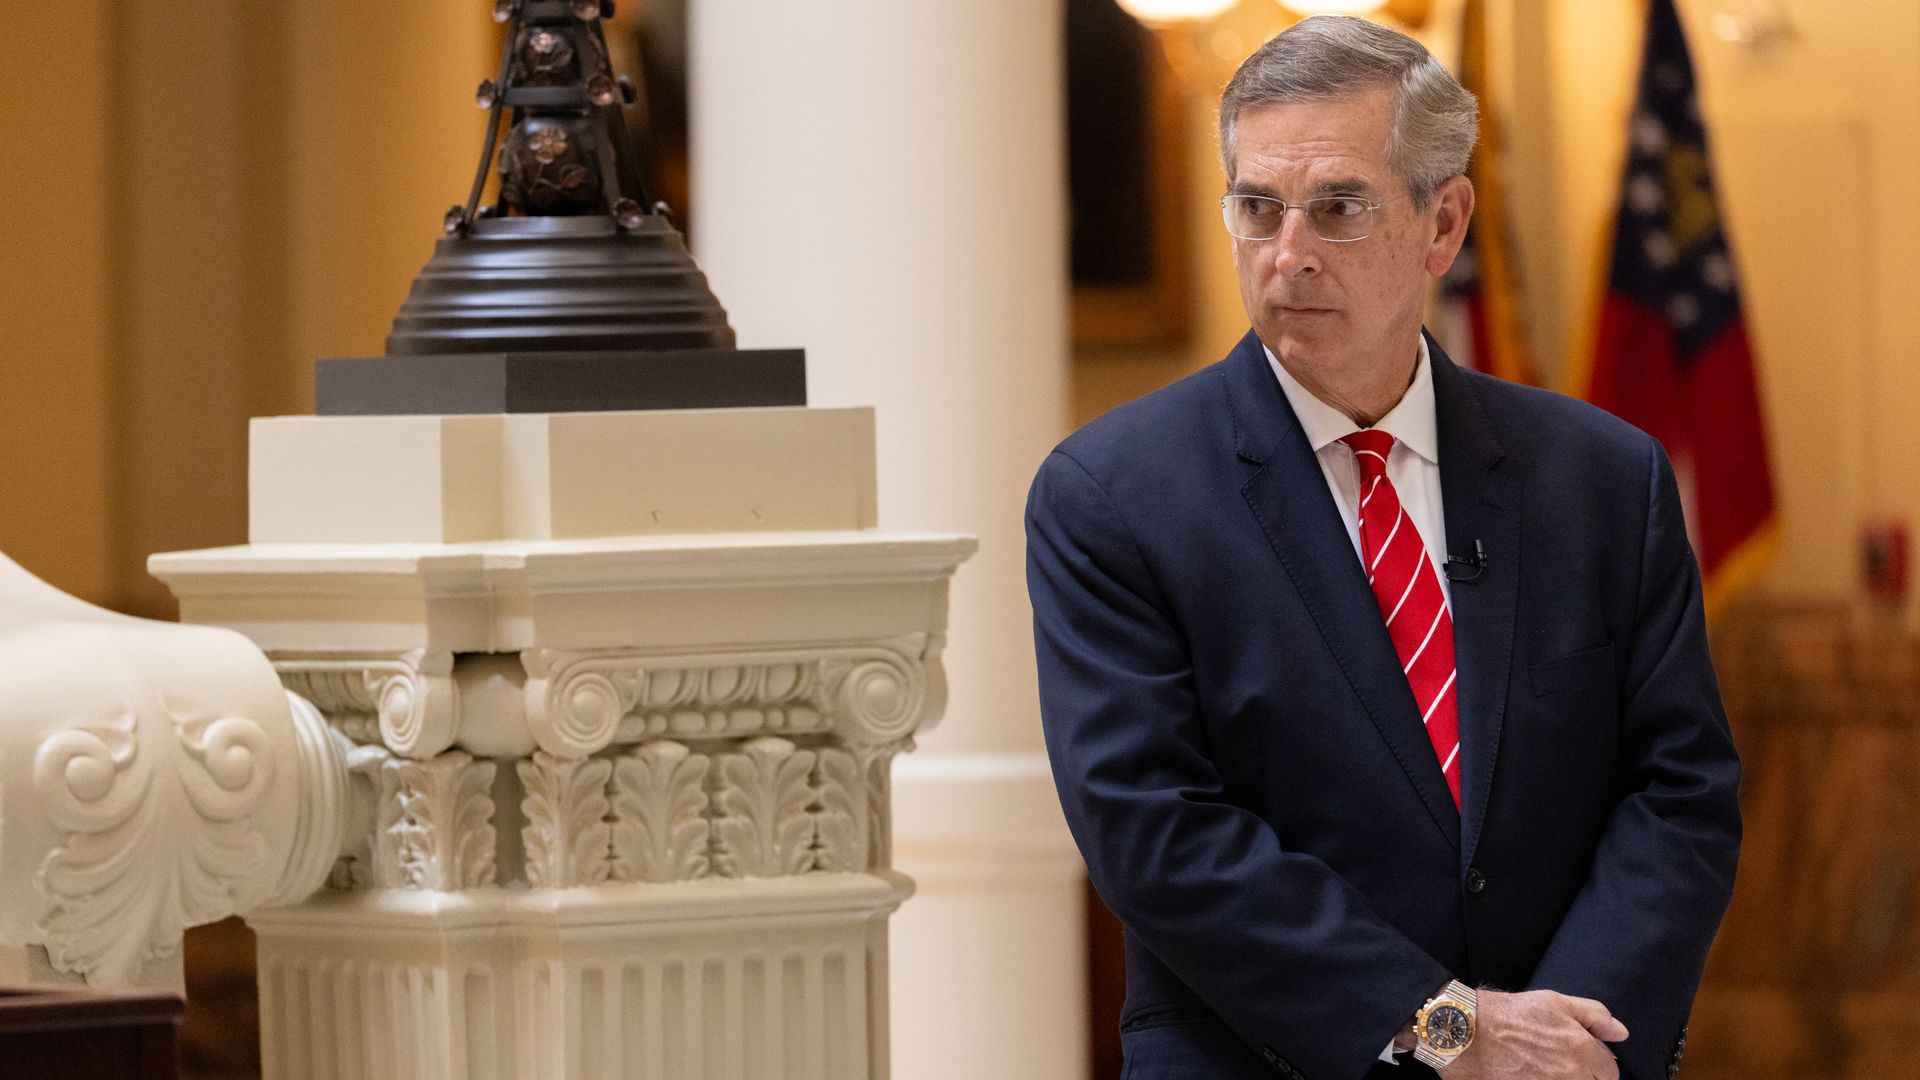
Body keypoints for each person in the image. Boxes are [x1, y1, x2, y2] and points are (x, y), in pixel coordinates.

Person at [1025, 16, 1741, 1080]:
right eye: (1257, 209)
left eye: (1339, 207)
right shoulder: (1112, 498)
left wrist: (1560, 1050)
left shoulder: (1604, 479)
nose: (1289, 253)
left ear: (1443, 223)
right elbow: (1161, 842)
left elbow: (1677, 792)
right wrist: (1453, 1035)